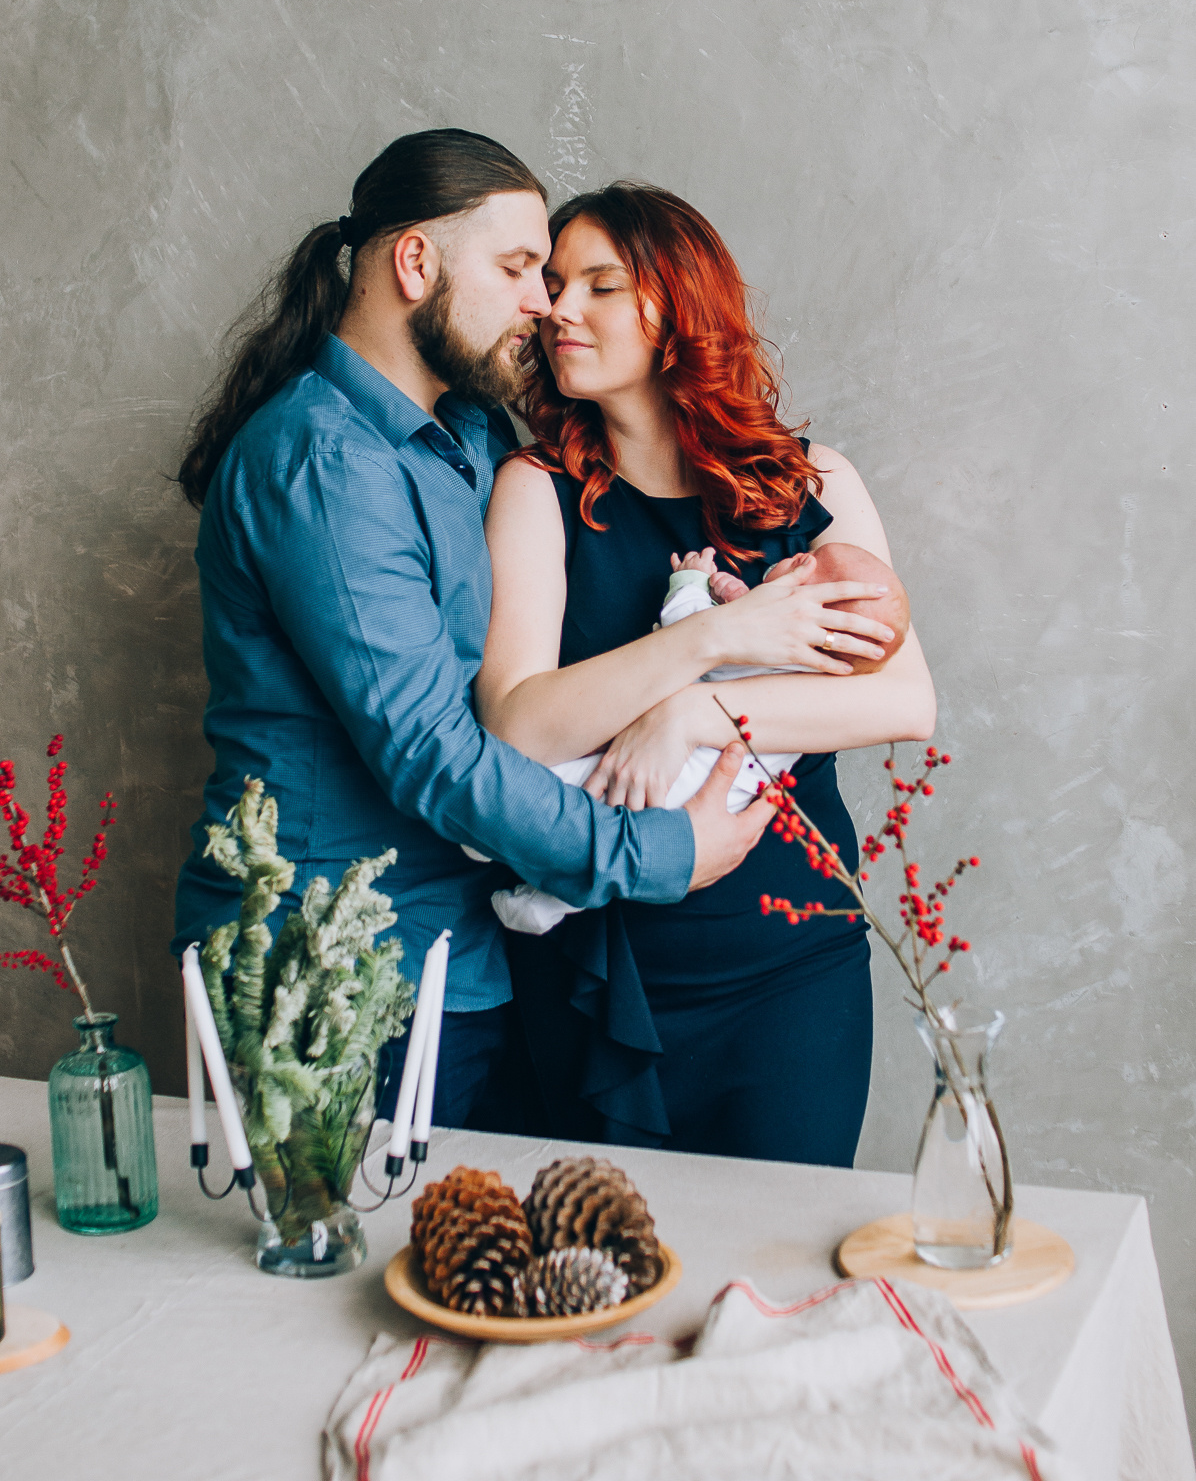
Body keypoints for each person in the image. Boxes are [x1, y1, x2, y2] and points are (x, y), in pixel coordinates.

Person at [171, 128, 851, 1131]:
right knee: (323, 1272)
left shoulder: (471, 439)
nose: (543, 302)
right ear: (414, 264)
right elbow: (433, 758)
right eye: (517, 268)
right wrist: (656, 850)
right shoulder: (325, 463)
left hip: (467, 957)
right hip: (327, 967)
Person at [477, 181, 936, 1163]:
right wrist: (708, 645)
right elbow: (516, 725)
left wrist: (694, 718)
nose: (558, 309)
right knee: (610, 1295)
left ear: (678, 310)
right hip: (598, 971)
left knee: (770, 1275)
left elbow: (905, 699)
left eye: (599, 285)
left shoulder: (815, 485)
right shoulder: (535, 492)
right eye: (554, 284)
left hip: (790, 967)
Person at [487, 539, 910, 934]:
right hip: (715, 805)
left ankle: (494, 835)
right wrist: (731, 597)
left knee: (577, 790)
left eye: (804, 564)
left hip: (684, 776)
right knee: (606, 840)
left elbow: (689, 630)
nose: (798, 556)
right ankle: (543, 903)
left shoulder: (773, 647)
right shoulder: (818, 683)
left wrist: (691, 584)